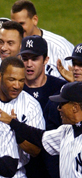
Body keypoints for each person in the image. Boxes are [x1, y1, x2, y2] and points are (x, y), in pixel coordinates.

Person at [0, 81, 82, 178]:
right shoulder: (66, 131)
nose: (58, 108)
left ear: (75, 107)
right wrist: (13, 123)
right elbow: (39, 136)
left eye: (62, 104)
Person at [17, 35, 67, 178]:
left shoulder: (60, 88)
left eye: (34, 58)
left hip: (54, 167)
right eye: (25, 58)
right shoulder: (14, 89)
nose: (29, 64)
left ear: (46, 60)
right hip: (23, 166)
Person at [0, 56, 45, 177]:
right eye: (12, 79)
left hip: (15, 174)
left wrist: (16, 128)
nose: (17, 85)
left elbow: (36, 151)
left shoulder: (31, 105)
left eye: (21, 80)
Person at [11, 0, 74, 80]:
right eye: (14, 24)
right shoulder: (10, 46)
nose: (18, 29)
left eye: (21, 23)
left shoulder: (60, 47)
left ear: (35, 20)